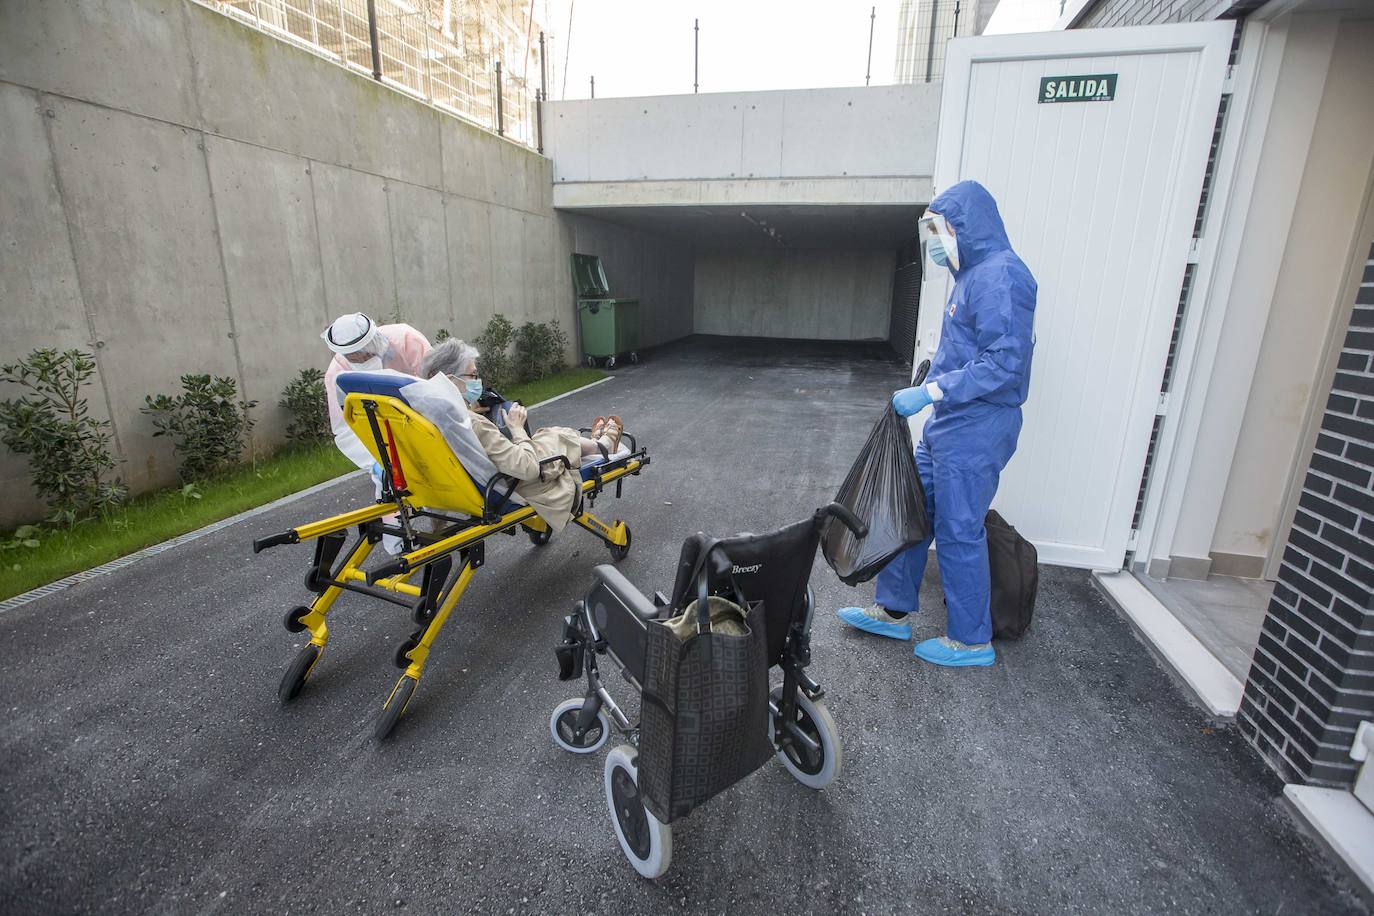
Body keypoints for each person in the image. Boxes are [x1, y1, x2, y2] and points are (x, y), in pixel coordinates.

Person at [837, 180, 1036, 668]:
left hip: (977, 428)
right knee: (912, 513)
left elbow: (1004, 363)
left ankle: (972, 640)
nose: (936, 243)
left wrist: (930, 392)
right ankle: (893, 611)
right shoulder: (971, 278)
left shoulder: (1002, 276)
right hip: (949, 427)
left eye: (940, 230)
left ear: (963, 226)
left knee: (958, 529)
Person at [418, 339, 624, 531]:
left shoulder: (426, 416)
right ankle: (603, 445)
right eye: (473, 375)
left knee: (546, 435)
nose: (478, 381)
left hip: (461, 489)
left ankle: (598, 443)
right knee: (553, 436)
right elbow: (528, 468)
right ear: (450, 379)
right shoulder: (470, 422)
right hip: (514, 483)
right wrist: (516, 428)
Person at [321, 313, 433, 468]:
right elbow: (345, 428)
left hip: (425, 421)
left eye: (365, 354)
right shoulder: (337, 373)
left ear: (374, 339)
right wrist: (375, 464)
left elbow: (435, 390)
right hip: (382, 430)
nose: (361, 359)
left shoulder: (407, 340)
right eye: (354, 358)